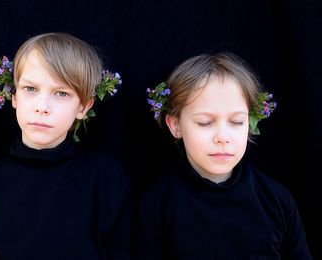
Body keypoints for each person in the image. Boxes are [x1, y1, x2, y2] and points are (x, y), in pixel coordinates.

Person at [0, 32, 130, 259]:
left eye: (61, 93)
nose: (42, 106)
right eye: (30, 89)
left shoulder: (105, 177)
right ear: (14, 96)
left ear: (83, 106)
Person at [134, 52, 312, 259]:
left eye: (236, 122)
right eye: (205, 123)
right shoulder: (158, 204)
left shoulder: (276, 200)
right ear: (175, 125)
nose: (223, 137)